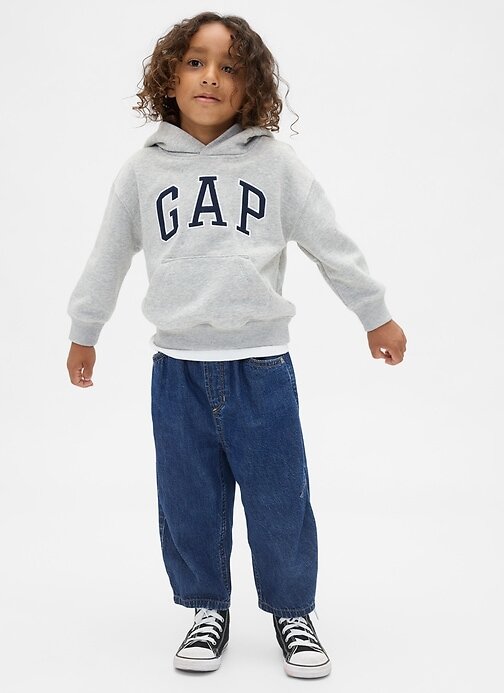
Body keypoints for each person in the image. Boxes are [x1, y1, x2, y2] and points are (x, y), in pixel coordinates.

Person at [66, 11, 407, 680]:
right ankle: (206, 608)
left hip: (261, 369)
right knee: (188, 501)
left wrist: (375, 314)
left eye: (229, 66)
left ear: (251, 86)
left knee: (280, 500)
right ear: (169, 76)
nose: (211, 77)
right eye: (195, 62)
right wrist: (86, 330)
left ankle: (293, 613)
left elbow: (330, 243)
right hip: (178, 373)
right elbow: (106, 257)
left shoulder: (274, 164)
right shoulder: (142, 172)